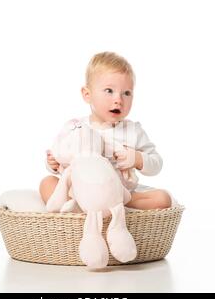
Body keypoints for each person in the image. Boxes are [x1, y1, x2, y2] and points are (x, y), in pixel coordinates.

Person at [39, 51, 171, 210]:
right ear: (87, 95)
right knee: (47, 183)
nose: (119, 100)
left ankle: (114, 207)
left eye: (126, 93)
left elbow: (157, 163)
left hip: (122, 194)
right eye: (109, 91)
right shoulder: (75, 127)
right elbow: (60, 152)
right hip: (79, 190)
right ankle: (76, 205)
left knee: (162, 199)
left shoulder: (132, 131)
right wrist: (52, 163)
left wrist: (138, 159)